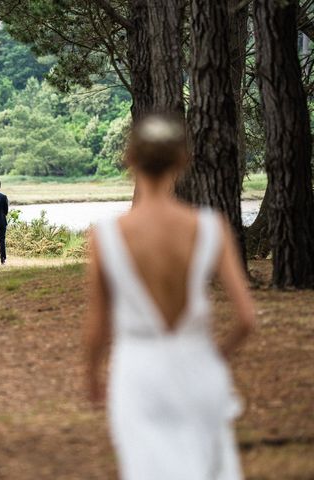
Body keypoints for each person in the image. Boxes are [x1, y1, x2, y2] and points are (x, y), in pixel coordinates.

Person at [84, 114, 256, 480]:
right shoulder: (211, 227)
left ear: (130, 159)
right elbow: (246, 318)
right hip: (198, 367)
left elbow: (97, 327)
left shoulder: (106, 236)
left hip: (139, 371)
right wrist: (215, 357)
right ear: (182, 161)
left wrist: (91, 377)